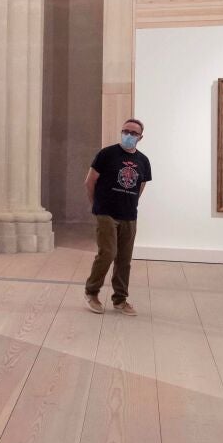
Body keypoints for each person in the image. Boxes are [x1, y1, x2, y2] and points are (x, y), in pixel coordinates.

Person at [84, 119, 152, 317]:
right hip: (106, 212)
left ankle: (120, 299)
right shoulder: (106, 154)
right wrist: (96, 206)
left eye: (133, 133)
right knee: (108, 253)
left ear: (140, 137)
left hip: (129, 215)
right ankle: (91, 292)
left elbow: (140, 185)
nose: (129, 135)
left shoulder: (143, 161)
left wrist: (131, 203)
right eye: (125, 131)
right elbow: (89, 182)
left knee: (124, 259)